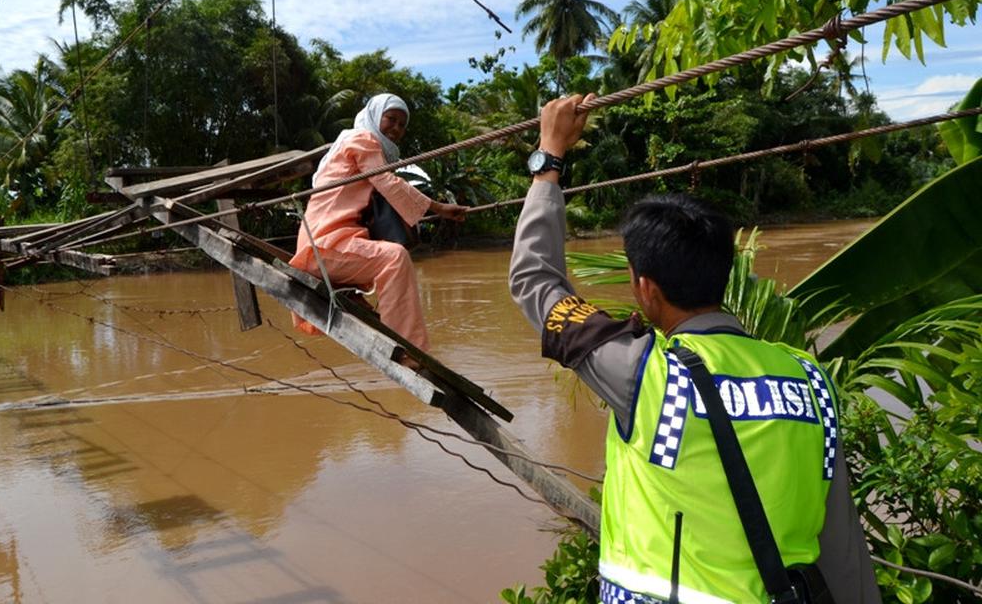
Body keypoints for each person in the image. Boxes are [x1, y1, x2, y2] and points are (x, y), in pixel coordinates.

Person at [508, 94, 878, 603]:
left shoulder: (642, 371)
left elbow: (535, 280)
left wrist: (549, 157)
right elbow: (842, 548)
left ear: (645, 289)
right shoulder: (811, 380)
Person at [289, 93, 467, 350]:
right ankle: (408, 348)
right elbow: (386, 182)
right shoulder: (362, 139)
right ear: (375, 116)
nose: (396, 128)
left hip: (328, 244)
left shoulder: (354, 143)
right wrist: (439, 208)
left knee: (387, 255)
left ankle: (399, 336)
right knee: (394, 258)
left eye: (402, 125)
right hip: (325, 246)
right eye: (391, 119)